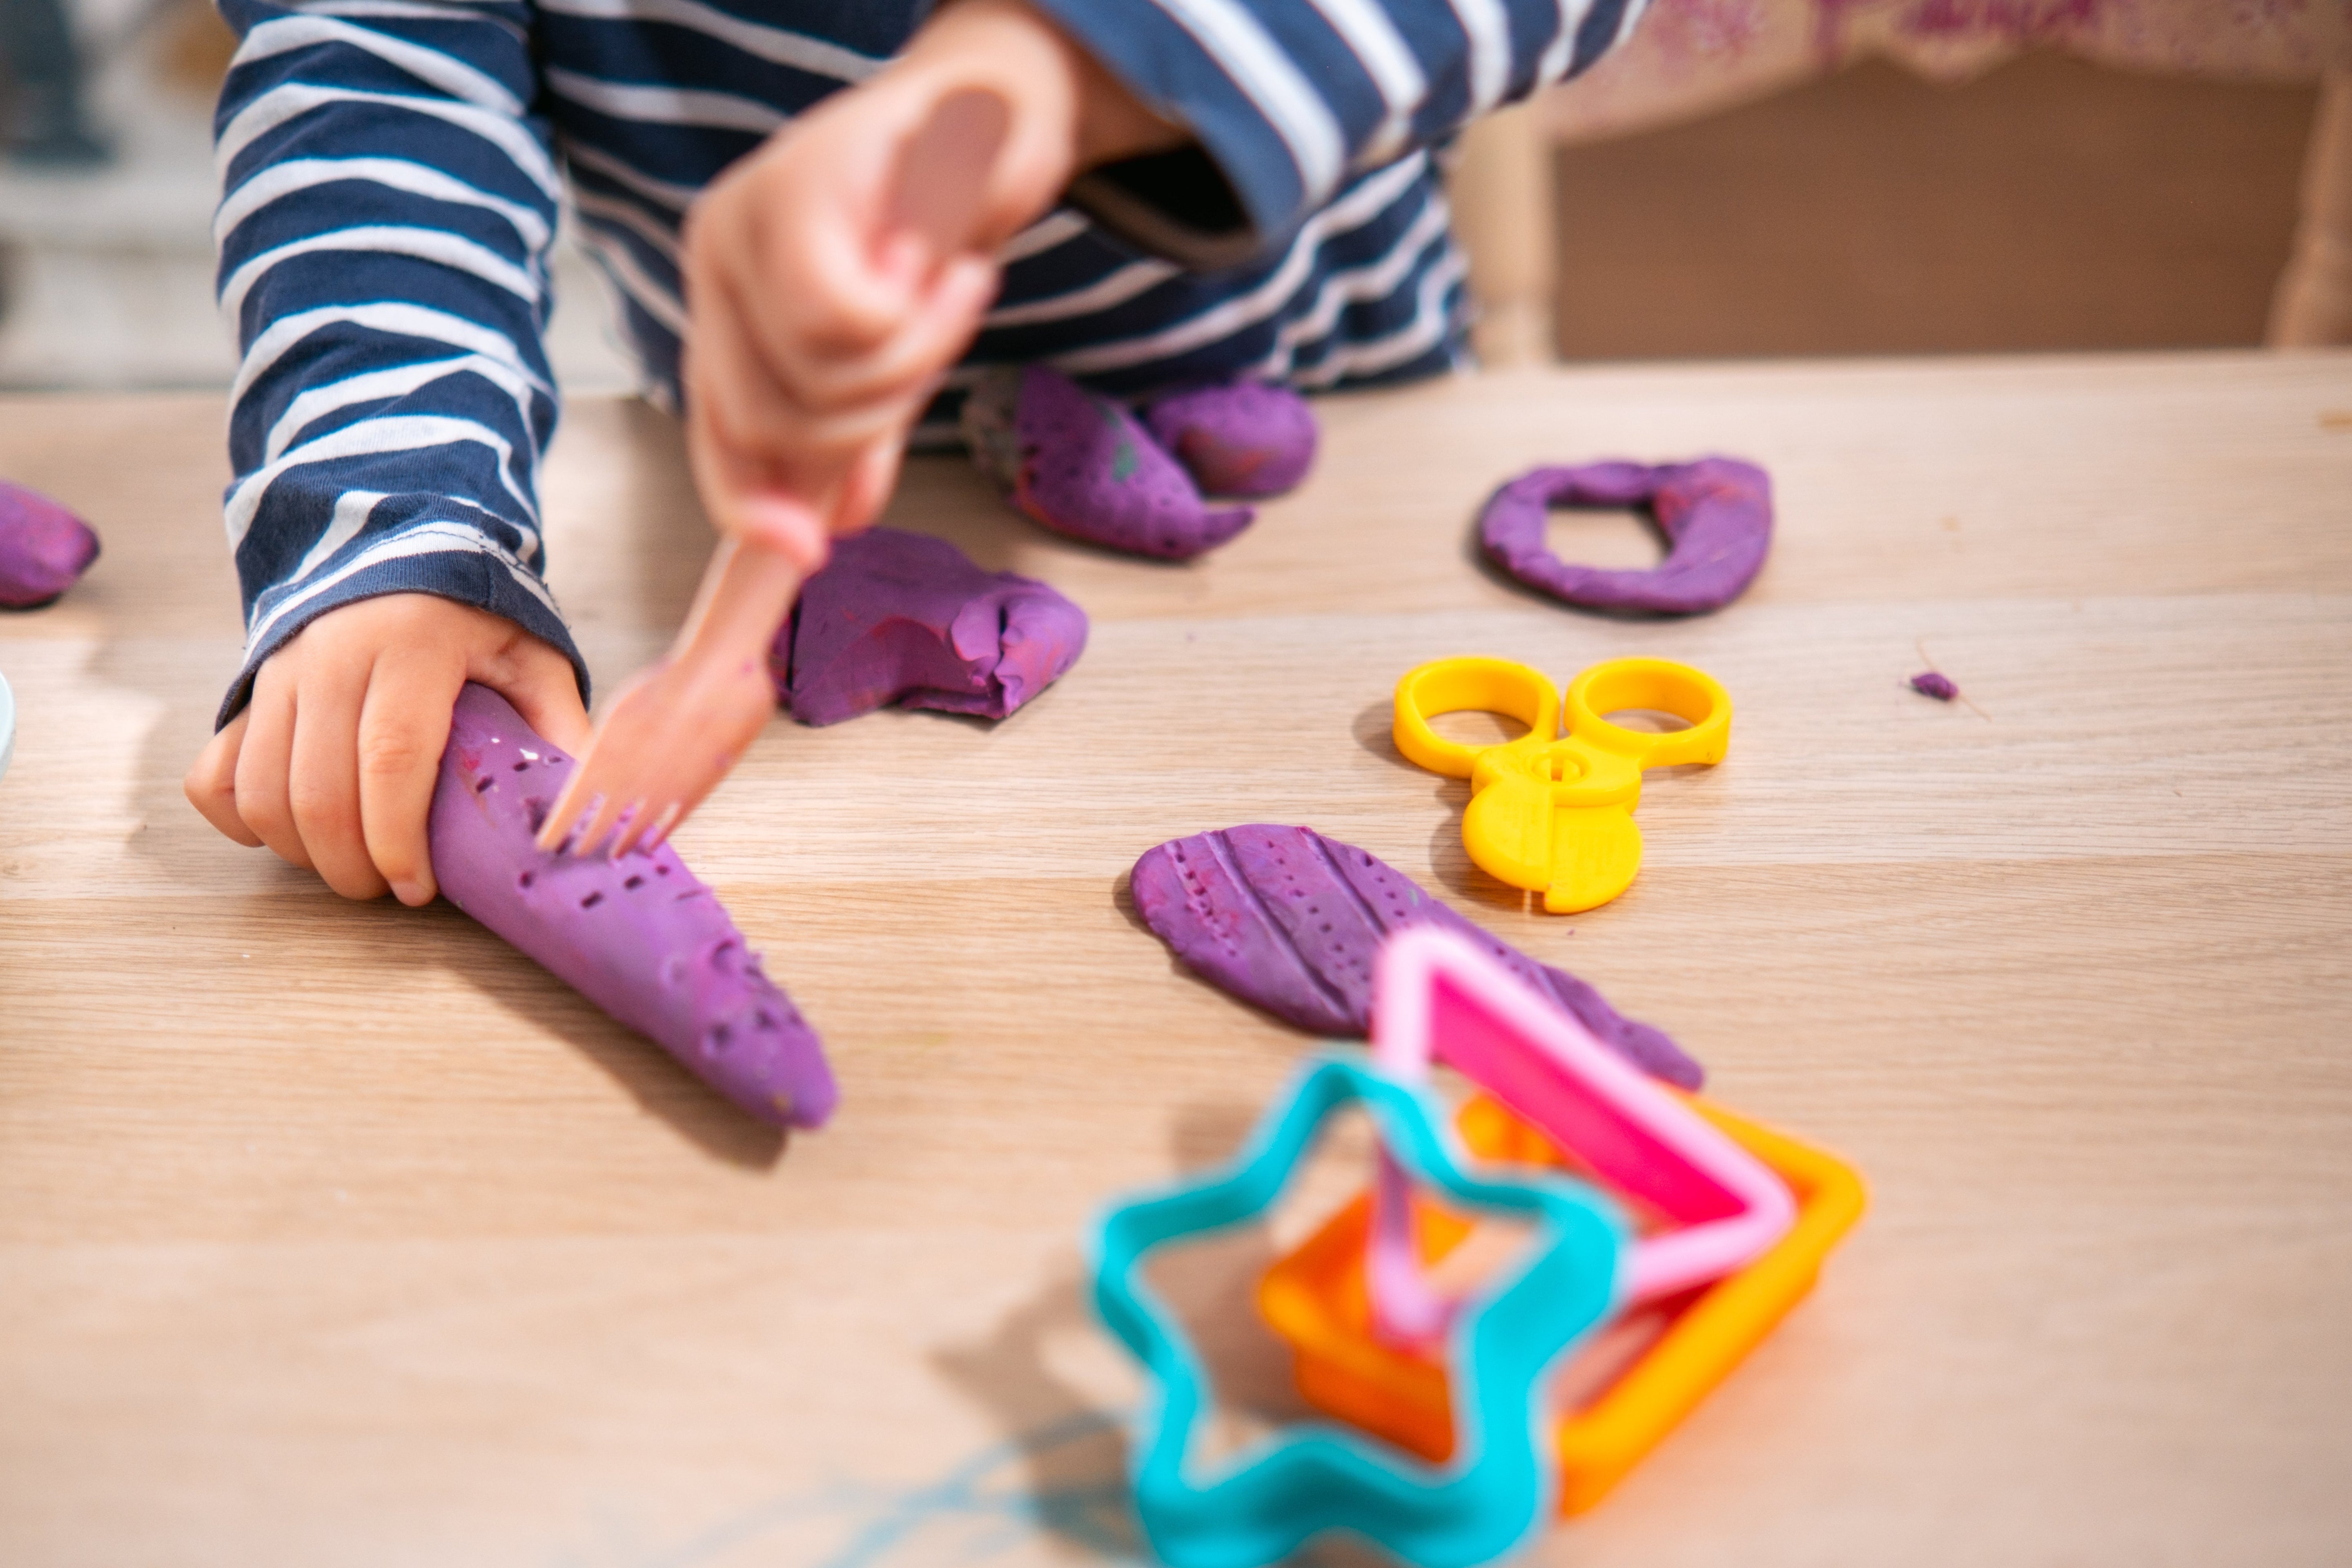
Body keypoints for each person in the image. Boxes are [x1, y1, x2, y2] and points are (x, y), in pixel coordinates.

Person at [185, 0, 1647, 904]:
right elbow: (378, 80)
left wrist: (1049, 64)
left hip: (1320, 422)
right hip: (745, 465)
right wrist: (393, 511)